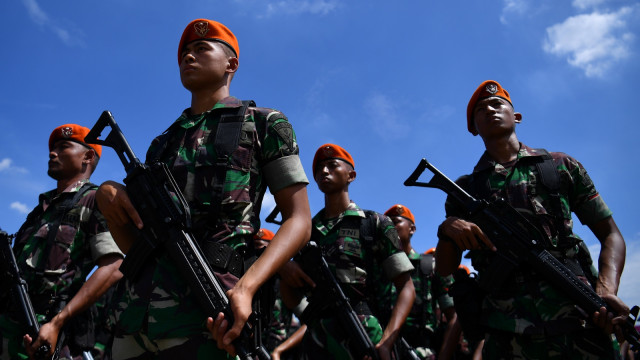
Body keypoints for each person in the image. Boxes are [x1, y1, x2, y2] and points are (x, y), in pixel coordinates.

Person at [96, 19, 311, 359]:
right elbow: (139, 243)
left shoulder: (264, 123)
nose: (188, 57)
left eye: (200, 49)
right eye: (184, 53)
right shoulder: (162, 143)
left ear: (231, 64)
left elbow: (299, 220)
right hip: (135, 320)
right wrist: (108, 199)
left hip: (212, 314)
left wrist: (247, 288)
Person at [435, 80, 629, 358]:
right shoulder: (465, 189)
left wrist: (605, 289)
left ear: (516, 116)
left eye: (497, 103)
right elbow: (445, 268)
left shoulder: (560, 166)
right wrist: (446, 229)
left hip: (578, 317)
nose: (490, 109)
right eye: (481, 109)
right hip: (508, 335)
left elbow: (611, 234)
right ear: (473, 128)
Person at [279, 143, 415, 360]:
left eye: (332, 165)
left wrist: (387, 341)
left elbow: (406, 287)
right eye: (319, 169)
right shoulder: (306, 231)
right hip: (317, 343)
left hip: (365, 334)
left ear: (351, 175)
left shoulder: (375, 223)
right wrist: (309, 315)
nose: (324, 171)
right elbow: (290, 289)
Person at [0, 124, 124, 359]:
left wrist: (57, 322)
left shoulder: (94, 200)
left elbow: (114, 266)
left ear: (88, 156)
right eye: (52, 147)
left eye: (63, 146)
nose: (52, 153)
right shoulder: (40, 209)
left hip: (45, 333)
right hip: (9, 326)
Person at [383, 204, 459, 360]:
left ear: (412, 229)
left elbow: (454, 317)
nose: (391, 227)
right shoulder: (379, 266)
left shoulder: (429, 265)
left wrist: (443, 356)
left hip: (419, 351)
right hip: (382, 347)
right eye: (387, 224)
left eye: (396, 222)